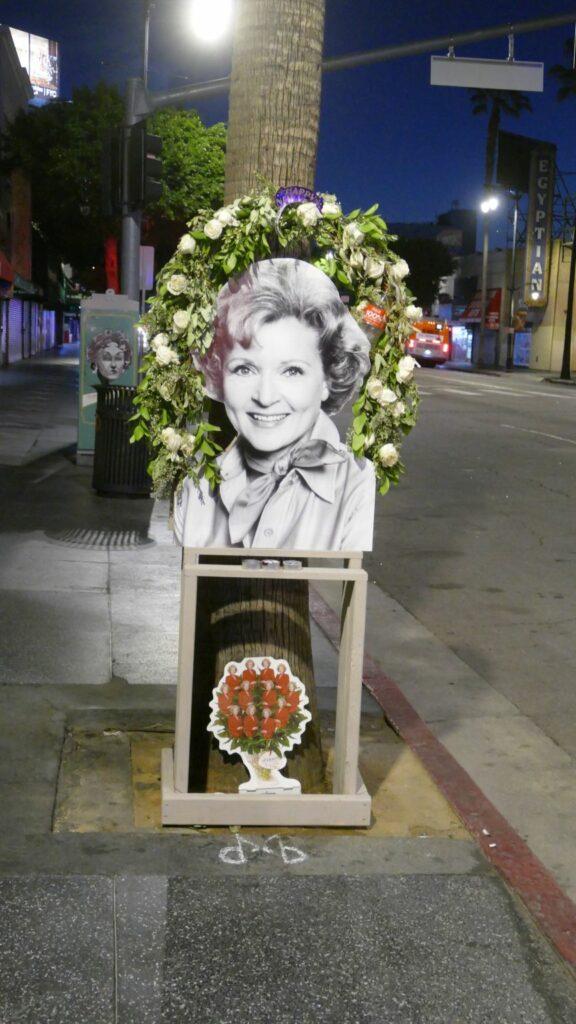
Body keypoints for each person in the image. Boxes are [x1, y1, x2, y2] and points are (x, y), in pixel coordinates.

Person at [174, 258, 375, 552]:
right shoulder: (197, 487)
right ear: (219, 376)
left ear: (327, 380)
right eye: (244, 369)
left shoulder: (355, 483)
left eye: (292, 371)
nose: (265, 397)